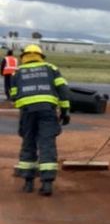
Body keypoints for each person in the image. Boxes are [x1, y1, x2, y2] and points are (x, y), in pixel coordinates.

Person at [10, 44, 70, 196]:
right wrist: (65, 111)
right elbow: (63, 90)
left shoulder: (17, 72)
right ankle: (47, 184)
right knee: (47, 144)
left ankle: (28, 183)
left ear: (24, 56)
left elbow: (13, 95)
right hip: (47, 110)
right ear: (40, 56)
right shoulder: (51, 68)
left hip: (27, 112)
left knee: (28, 143)